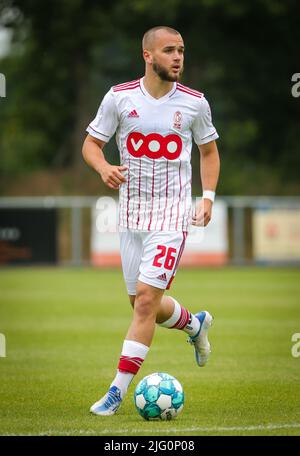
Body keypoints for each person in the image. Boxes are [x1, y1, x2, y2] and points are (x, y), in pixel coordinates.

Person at [82, 25, 220, 416]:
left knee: (145, 302)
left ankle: (115, 392)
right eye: (169, 50)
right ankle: (194, 324)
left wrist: (207, 197)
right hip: (131, 216)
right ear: (148, 56)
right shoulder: (119, 98)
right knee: (141, 303)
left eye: (181, 50)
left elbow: (209, 153)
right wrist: (103, 166)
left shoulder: (195, 103)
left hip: (172, 216)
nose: (178, 57)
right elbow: (91, 144)